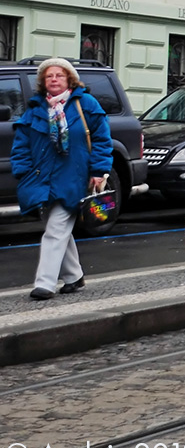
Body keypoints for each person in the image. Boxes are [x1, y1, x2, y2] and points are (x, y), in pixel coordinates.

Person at [11, 58, 112, 300]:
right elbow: (21, 145)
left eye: (59, 75)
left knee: (55, 231)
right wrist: (23, 171)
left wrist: (98, 170)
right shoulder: (35, 109)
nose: (54, 79)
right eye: (49, 76)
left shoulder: (85, 103)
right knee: (56, 229)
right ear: (43, 82)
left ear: (69, 79)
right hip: (40, 179)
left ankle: (44, 283)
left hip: (74, 177)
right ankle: (74, 276)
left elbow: (101, 139)